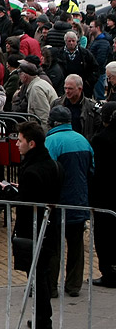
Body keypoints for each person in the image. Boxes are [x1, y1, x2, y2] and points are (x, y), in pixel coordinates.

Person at [6, 121, 61, 329]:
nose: (16, 144)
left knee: (38, 279)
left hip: (34, 232)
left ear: (32, 144)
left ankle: (43, 321)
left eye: (20, 141)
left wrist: (13, 193)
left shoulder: (31, 171)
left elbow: (27, 203)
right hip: (49, 229)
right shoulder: (52, 164)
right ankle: (42, 319)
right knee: (42, 277)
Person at [44, 106, 94, 297]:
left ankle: (50, 286)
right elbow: (91, 170)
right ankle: (74, 286)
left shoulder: (50, 142)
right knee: (76, 245)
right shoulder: (83, 141)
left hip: (58, 203)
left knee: (53, 245)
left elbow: (48, 173)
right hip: (79, 201)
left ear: (52, 122)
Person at [90, 102, 116, 287]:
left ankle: (109, 273)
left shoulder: (101, 139)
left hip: (105, 195)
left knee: (104, 236)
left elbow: (97, 171)